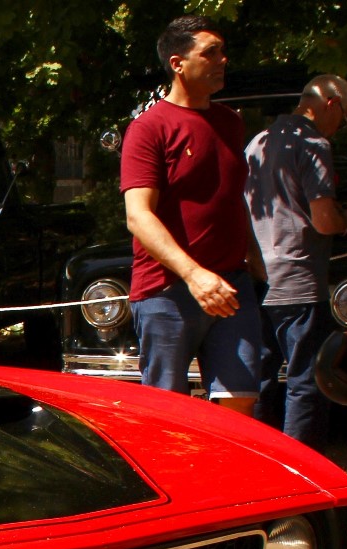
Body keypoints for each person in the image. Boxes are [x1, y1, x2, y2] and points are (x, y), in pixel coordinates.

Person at [120, 15, 268, 416]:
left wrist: (253, 258)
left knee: (239, 403)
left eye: (223, 51)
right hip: (167, 290)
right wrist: (193, 274)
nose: (222, 60)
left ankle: (223, 481)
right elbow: (139, 216)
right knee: (167, 414)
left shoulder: (230, 123)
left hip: (232, 286)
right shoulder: (148, 129)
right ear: (177, 63)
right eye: (211, 52)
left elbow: (229, 196)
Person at [245, 75, 347, 445]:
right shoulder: (312, 142)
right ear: (331, 103)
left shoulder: (257, 142)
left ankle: (258, 464)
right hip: (300, 279)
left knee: (258, 378)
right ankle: (302, 474)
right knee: (306, 380)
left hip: (259, 275)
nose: (339, 129)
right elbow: (324, 218)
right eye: (344, 119)